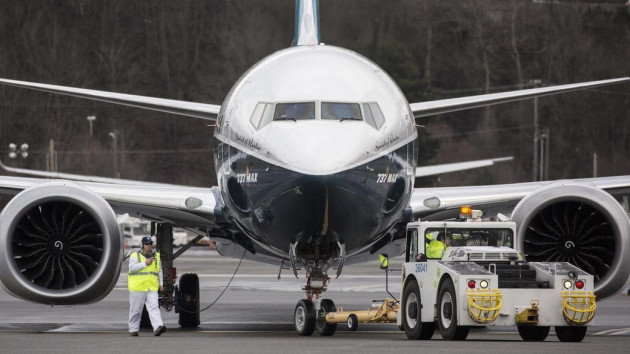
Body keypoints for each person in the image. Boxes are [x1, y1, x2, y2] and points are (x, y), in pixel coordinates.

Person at [128, 236, 166, 337]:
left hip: (151, 287)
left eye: (150, 244)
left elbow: (159, 271)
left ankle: (158, 327)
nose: (149, 246)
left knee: (154, 307)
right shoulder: (135, 255)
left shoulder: (156, 256)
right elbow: (132, 268)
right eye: (146, 244)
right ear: (143, 245)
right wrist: (145, 263)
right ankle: (133, 329)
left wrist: (161, 284)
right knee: (136, 309)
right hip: (138, 287)